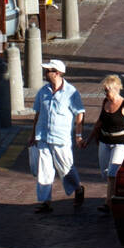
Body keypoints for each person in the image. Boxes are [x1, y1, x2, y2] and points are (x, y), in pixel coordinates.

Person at [28, 59, 86, 213]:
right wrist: (33, 134)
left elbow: (79, 114)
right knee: (44, 169)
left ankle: (78, 189)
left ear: (58, 73)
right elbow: (38, 113)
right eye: (46, 70)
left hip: (60, 137)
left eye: (49, 71)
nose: (46, 73)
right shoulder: (43, 91)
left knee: (66, 168)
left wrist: (78, 135)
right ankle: (46, 202)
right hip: (43, 136)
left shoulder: (71, 92)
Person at [82, 74, 124, 213]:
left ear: (116, 89)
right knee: (105, 172)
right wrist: (88, 140)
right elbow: (98, 123)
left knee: (112, 173)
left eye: (107, 90)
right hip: (104, 141)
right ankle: (118, 195)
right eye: (104, 91)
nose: (106, 93)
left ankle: (109, 203)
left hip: (120, 142)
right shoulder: (105, 102)